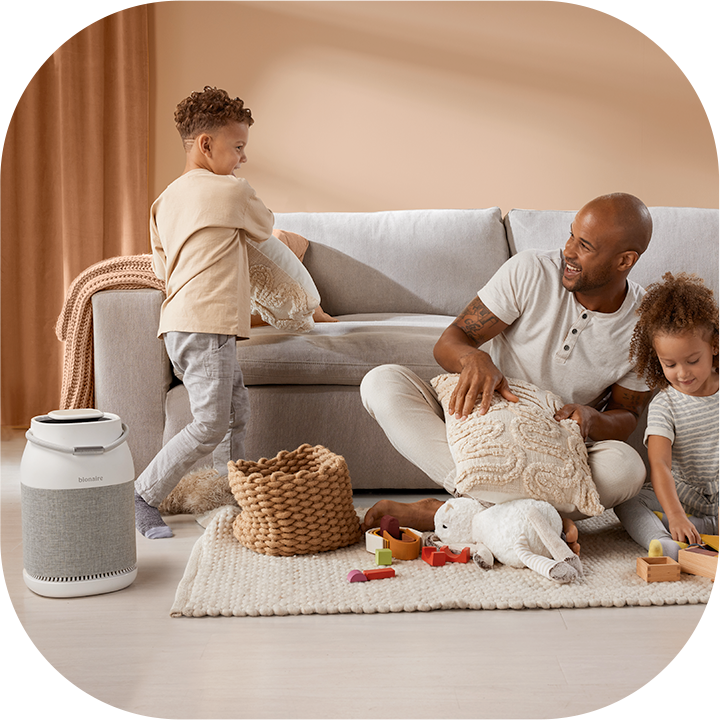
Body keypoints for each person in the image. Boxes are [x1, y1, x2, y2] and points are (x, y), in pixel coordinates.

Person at [360, 193, 654, 545]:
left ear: (625, 260)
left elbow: (627, 415)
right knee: (381, 382)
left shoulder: (644, 326)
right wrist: (474, 358)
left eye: (585, 246)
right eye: (571, 235)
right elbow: (451, 340)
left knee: (628, 467)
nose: (568, 251)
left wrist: (593, 419)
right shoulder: (531, 270)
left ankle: (454, 513)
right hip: (480, 424)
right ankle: (529, 515)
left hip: (556, 449)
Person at [134, 87, 274, 538]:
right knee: (212, 421)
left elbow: (161, 265)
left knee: (237, 409)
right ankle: (144, 494)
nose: (243, 159)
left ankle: (228, 493)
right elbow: (265, 225)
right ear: (206, 145)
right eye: (238, 148)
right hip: (207, 322)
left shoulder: (164, 200)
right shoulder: (230, 191)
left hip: (180, 323)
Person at [614, 273, 720, 558]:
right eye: (669, 364)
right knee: (628, 501)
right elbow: (659, 463)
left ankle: (702, 530)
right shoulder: (665, 404)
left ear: (714, 347)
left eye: (693, 361)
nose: (682, 373)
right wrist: (674, 515)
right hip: (681, 497)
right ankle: (668, 541)